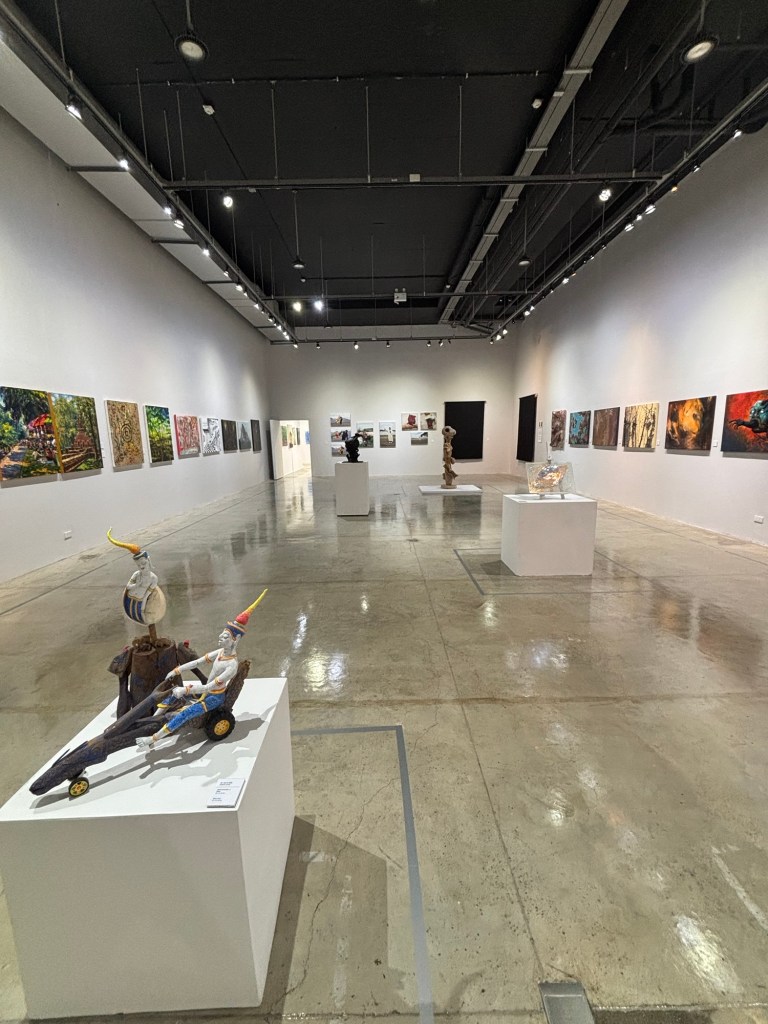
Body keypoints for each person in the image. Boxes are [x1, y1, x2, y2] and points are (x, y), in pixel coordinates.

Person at [136, 590, 267, 751]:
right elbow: (197, 662)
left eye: (225, 637)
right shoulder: (220, 653)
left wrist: (185, 690)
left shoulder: (231, 665)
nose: (220, 637)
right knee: (171, 696)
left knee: (185, 714)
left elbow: (208, 687)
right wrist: (177, 670)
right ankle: (152, 722)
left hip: (214, 698)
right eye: (222, 634)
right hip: (206, 692)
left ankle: (153, 738)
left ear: (236, 640)